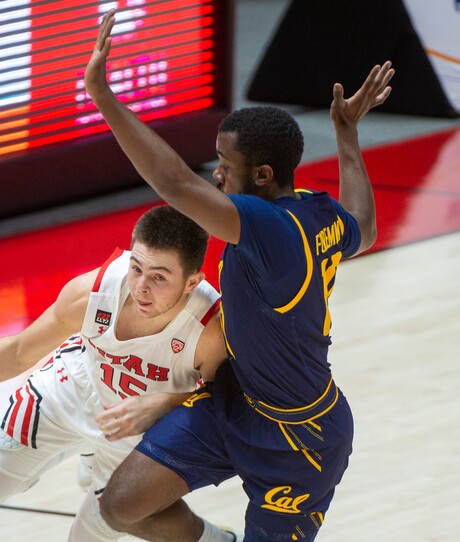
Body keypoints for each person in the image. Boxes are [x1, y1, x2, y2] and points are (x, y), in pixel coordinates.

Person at [84, 9, 395, 542]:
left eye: (225, 163)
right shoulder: (314, 212)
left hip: (301, 439)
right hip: (236, 401)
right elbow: (363, 228)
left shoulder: (268, 226)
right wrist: (346, 133)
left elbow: (174, 183)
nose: (217, 172)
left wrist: (104, 99)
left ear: (264, 175)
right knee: (119, 506)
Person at [0, 204, 229, 541]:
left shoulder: (210, 328)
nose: (142, 287)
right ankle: (83, 446)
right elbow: (18, 351)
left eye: (159, 277)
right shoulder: (92, 292)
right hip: (74, 387)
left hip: (135, 426)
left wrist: (165, 403)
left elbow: (227, 401)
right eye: (136, 268)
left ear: (191, 282)